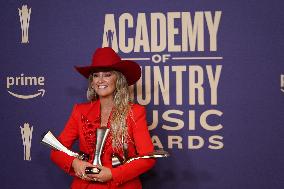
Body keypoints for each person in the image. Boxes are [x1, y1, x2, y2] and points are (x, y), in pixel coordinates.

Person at [51, 47, 156, 189]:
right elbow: (56, 150)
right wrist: (75, 163)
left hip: (122, 185)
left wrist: (114, 174)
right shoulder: (80, 111)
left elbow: (147, 158)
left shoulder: (135, 112)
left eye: (107, 75)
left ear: (118, 79)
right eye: (96, 75)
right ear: (92, 82)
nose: (100, 80)